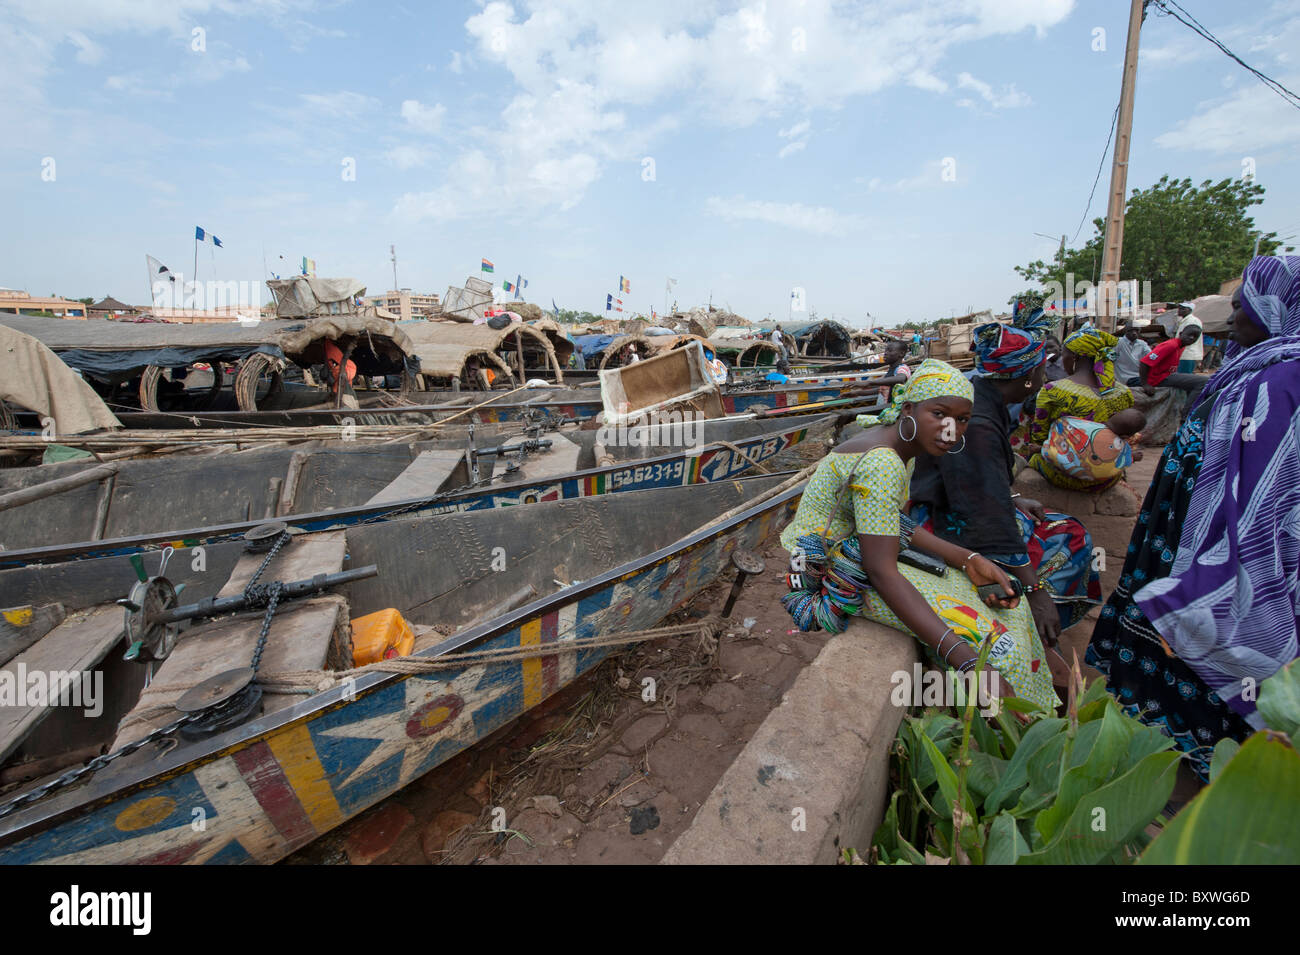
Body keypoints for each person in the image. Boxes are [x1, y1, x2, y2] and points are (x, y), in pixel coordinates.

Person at [1087, 255, 1300, 780]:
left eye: (1242, 301)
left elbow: (1267, 485)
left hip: (1219, 535)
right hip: (1184, 524)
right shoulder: (1253, 363)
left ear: (1274, 307)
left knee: (1200, 628)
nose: (1232, 310)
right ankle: (1161, 744)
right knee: (1161, 623)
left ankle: (1207, 758)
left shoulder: (1281, 376)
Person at [780, 359, 1062, 710]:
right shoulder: (883, 462)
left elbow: (889, 521)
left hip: (845, 548)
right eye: (940, 414)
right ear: (909, 409)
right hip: (823, 567)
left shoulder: (897, 444)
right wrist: (968, 662)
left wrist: (969, 558)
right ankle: (1024, 725)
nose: (951, 431)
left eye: (961, 420)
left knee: (1008, 609)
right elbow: (881, 571)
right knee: (996, 644)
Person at [909, 311, 1102, 644]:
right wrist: (1034, 589)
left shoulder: (979, 395)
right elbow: (985, 513)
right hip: (946, 523)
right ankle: (1029, 629)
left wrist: (1013, 497)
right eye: (1042, 369)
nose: (1045, 375)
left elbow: (980, 482)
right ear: (1027, 377)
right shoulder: (978, 425)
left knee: (1062, 528)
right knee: (1072, 539)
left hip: (954, 505)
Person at [1011, 324, 1134, 485]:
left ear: (1074, 356)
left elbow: (1039, 436)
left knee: (1024, 417)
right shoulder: (1123, 392)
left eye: (1065, 353)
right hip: (1107, 477)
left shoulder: (1053, 390)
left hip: (1064, 474)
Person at [1034, 407, 1146, 492]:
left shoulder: (1080, 426)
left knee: (1050, 452)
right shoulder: (1121, 447)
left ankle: (1043, 448)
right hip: (1092, 486)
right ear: (1127, 436)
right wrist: (1133, 457)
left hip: (1057, 476)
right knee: (1118, 471)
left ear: (1113, 415)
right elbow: (1123, 461)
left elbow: (1059, 422)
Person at [1138, 323, 1209, 412]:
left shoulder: (1181, 346)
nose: (1191, 338)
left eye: (1195, 337)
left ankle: (1185, 408)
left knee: (1195, 380)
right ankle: (1186, 413)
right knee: (1203, 381)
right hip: (1159, 378)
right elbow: (1144, 362)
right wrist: (1145, 384)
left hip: (1167, 375)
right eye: (1189, 335)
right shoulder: (1171, 345)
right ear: (1181, 333)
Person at [1175, 302, 1203, 373]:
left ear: (1189, 310)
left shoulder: (1192, 321)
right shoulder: (1184, 321)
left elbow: (1189, 339)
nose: (1179, 310)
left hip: (1188, 354)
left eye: (1183, 309)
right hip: (1183, 353)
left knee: (1184, 377)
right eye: (1179, 308)